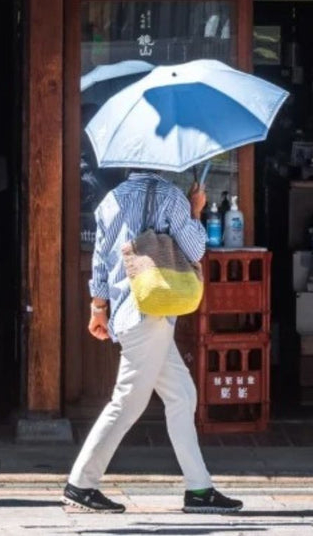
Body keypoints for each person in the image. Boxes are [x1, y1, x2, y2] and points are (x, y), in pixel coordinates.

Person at [63, 171, 242, 515]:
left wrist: (98, 308)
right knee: (128, 402)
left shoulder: (110, 200)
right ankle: (81, 484)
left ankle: (199, 487)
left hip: (131, 313)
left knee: (182, 395)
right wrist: (195, 211)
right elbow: (195, 248)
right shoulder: (171, 197)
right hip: (152, 313)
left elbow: (100, 261)